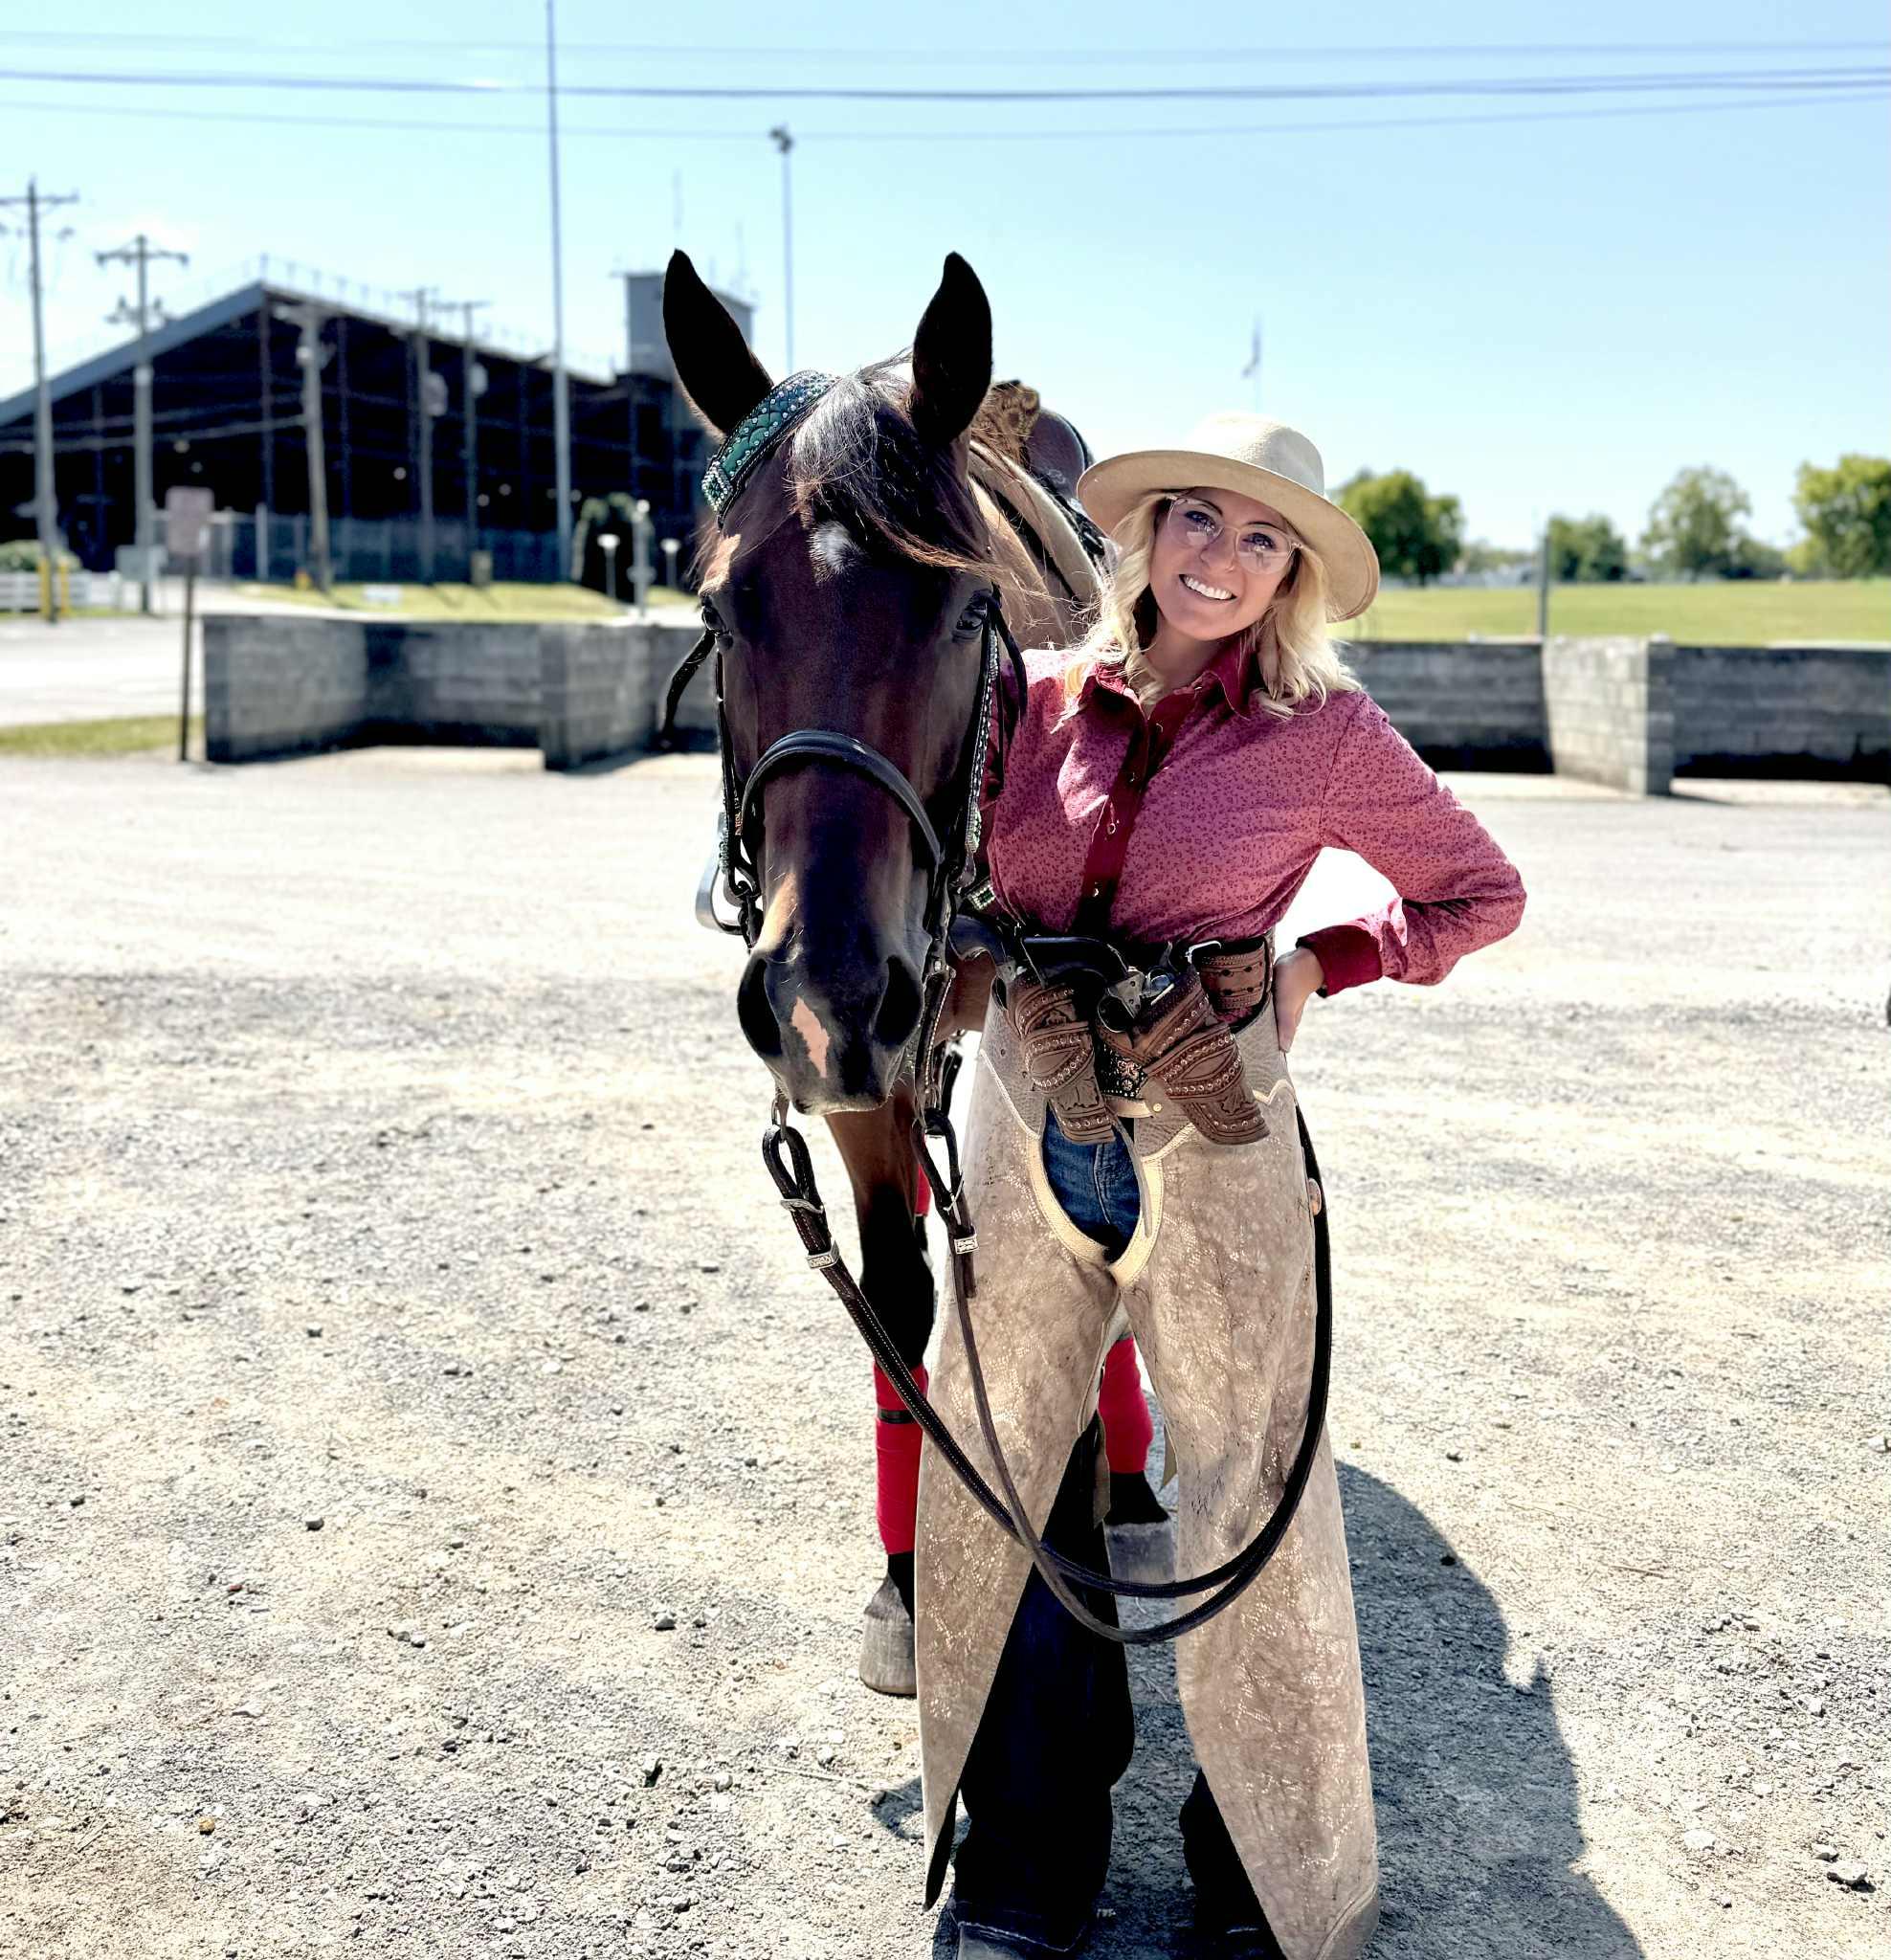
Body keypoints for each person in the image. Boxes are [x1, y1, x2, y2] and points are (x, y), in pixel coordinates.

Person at [913, 413, 1527, 1958]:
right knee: (1002, 1471)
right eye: (1199, 519)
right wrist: (963, 958)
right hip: (1028, 1115)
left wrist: (1326, 960)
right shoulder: (1026, 701)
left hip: (1216, 1137)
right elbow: (956, 887)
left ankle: (1267, 1881)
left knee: (1252, 1493)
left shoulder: (1325, 734)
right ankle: (1025, 1868)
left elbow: (1481, 890)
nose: (1224, 559)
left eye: (1264, 541)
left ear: (1292, 575)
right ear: (1148, 530)